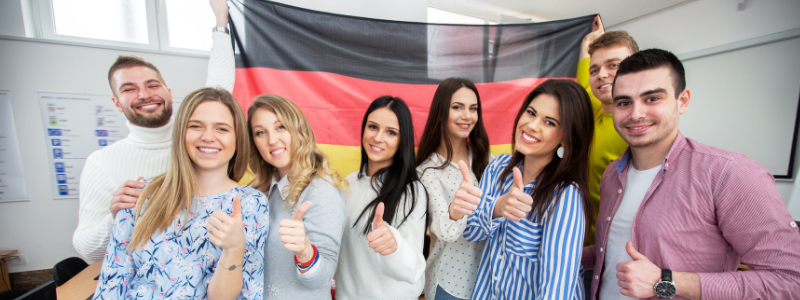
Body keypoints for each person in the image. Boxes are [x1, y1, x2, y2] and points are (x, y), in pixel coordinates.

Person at [583, 49, 800, 300]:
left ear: (683, 100)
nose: (635, 114)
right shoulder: (613, 174)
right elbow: (611, 252)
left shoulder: (728, 174)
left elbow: (790, 279)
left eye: (652, 99)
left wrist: (667, 281)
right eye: (624, 102)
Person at [73, 0, 235, 262]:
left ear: (169, 92)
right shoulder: (102, 163)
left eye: (152, 85)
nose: (144, 95)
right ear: (116, 103)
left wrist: (221, 21)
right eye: (128, 89)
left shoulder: (194, 141)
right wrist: (114, 217)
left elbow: (219, 87)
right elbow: (87, 250)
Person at [92, 87, 268, 299]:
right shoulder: (141, 194)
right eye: (195, 126)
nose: (208, 137)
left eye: (222, 129)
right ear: (180, 133)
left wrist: (234, 249)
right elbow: (113, 283)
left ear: (238, 138)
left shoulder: (252, 204)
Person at [464, 79, 595, 299]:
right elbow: (471, 232)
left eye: (550, 122)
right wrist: (497, 208)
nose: (532, 126)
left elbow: (557, 290)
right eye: (531, 113)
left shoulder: (565, 195)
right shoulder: (498, 167)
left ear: (567, 138)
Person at [247, 94, 347, 299]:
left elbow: (324, 276)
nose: (272, 139)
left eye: (280, 127)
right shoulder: (261, 192)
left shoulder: (321, 189)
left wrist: (305, 252)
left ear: (299, 129)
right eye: (260, 132)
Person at [335, 96, 428, 299]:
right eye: (373, 127)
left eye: (391, 132)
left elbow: (413, 271)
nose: (378, 138)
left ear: (402, 141)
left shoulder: (412, 191)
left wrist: (394, 246)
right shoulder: (347, 184)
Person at [415, 78, 493, 300]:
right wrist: (455, 210)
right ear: (440, 112)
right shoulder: (427, 171)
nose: (467, 115)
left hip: (489, 280)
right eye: (457, 107)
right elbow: (443, 229)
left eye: (473, 108)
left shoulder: (488, 160)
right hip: (449, 285)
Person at [576, 16, 639, 246]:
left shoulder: (640, 132)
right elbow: (584, 81)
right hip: (577, 248)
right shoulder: (592, 109)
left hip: (614, 253)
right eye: (596, 69)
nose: (601, 74)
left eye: (613, 65)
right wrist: (589, 43)